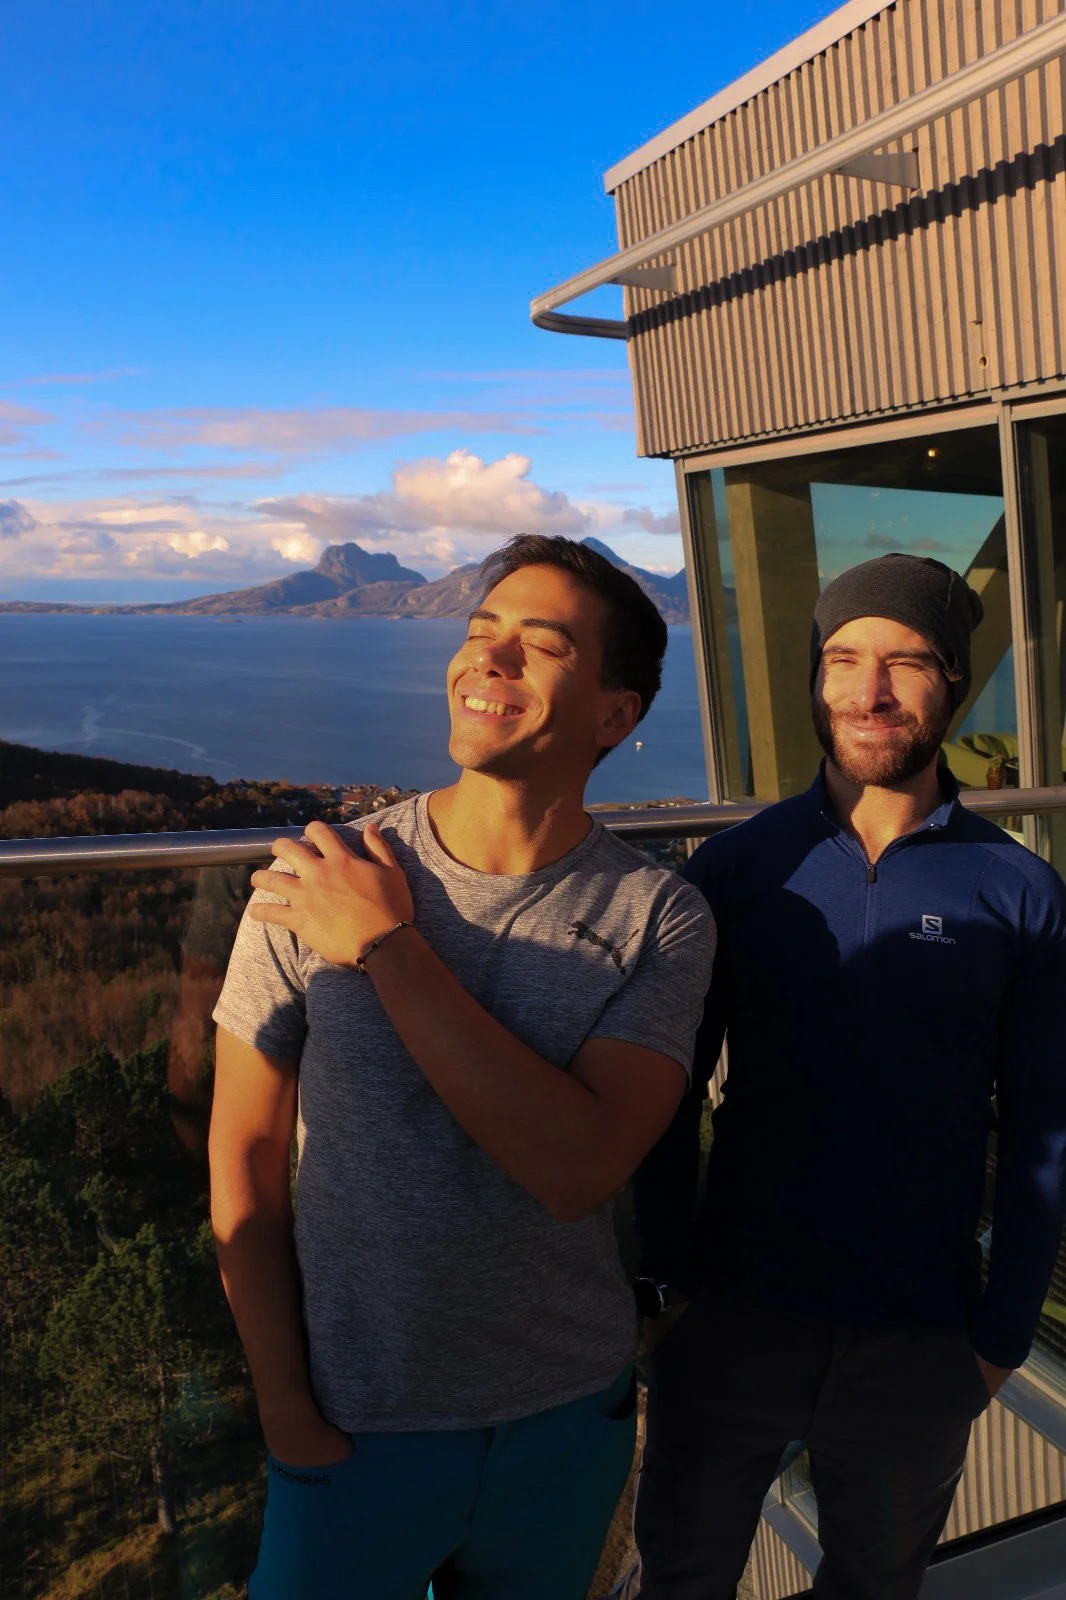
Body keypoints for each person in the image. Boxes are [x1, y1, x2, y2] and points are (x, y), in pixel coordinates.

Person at [207, 534, 715, 1600]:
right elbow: (244, 1154)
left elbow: (577, 1168)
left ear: (615, 716)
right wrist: (285, 1405)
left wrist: (386, 947)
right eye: (482, 632)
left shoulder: (659, 916)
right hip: (354, 1425)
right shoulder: (323, 872)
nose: (489, 658)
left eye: (542, 646)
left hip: (563, 1420)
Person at [631, 553, 1066, 1600]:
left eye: (905, 661)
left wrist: (1001, 1338)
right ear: (815, 675)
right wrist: (663, 1284)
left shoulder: (1018, 889)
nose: (869, 692)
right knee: (682, 1580)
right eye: (842, 659)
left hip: (921, 1336)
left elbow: (1046, 1127)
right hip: (729, 1318)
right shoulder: (737, 870)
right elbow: (665, 1094)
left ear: (953, 681)